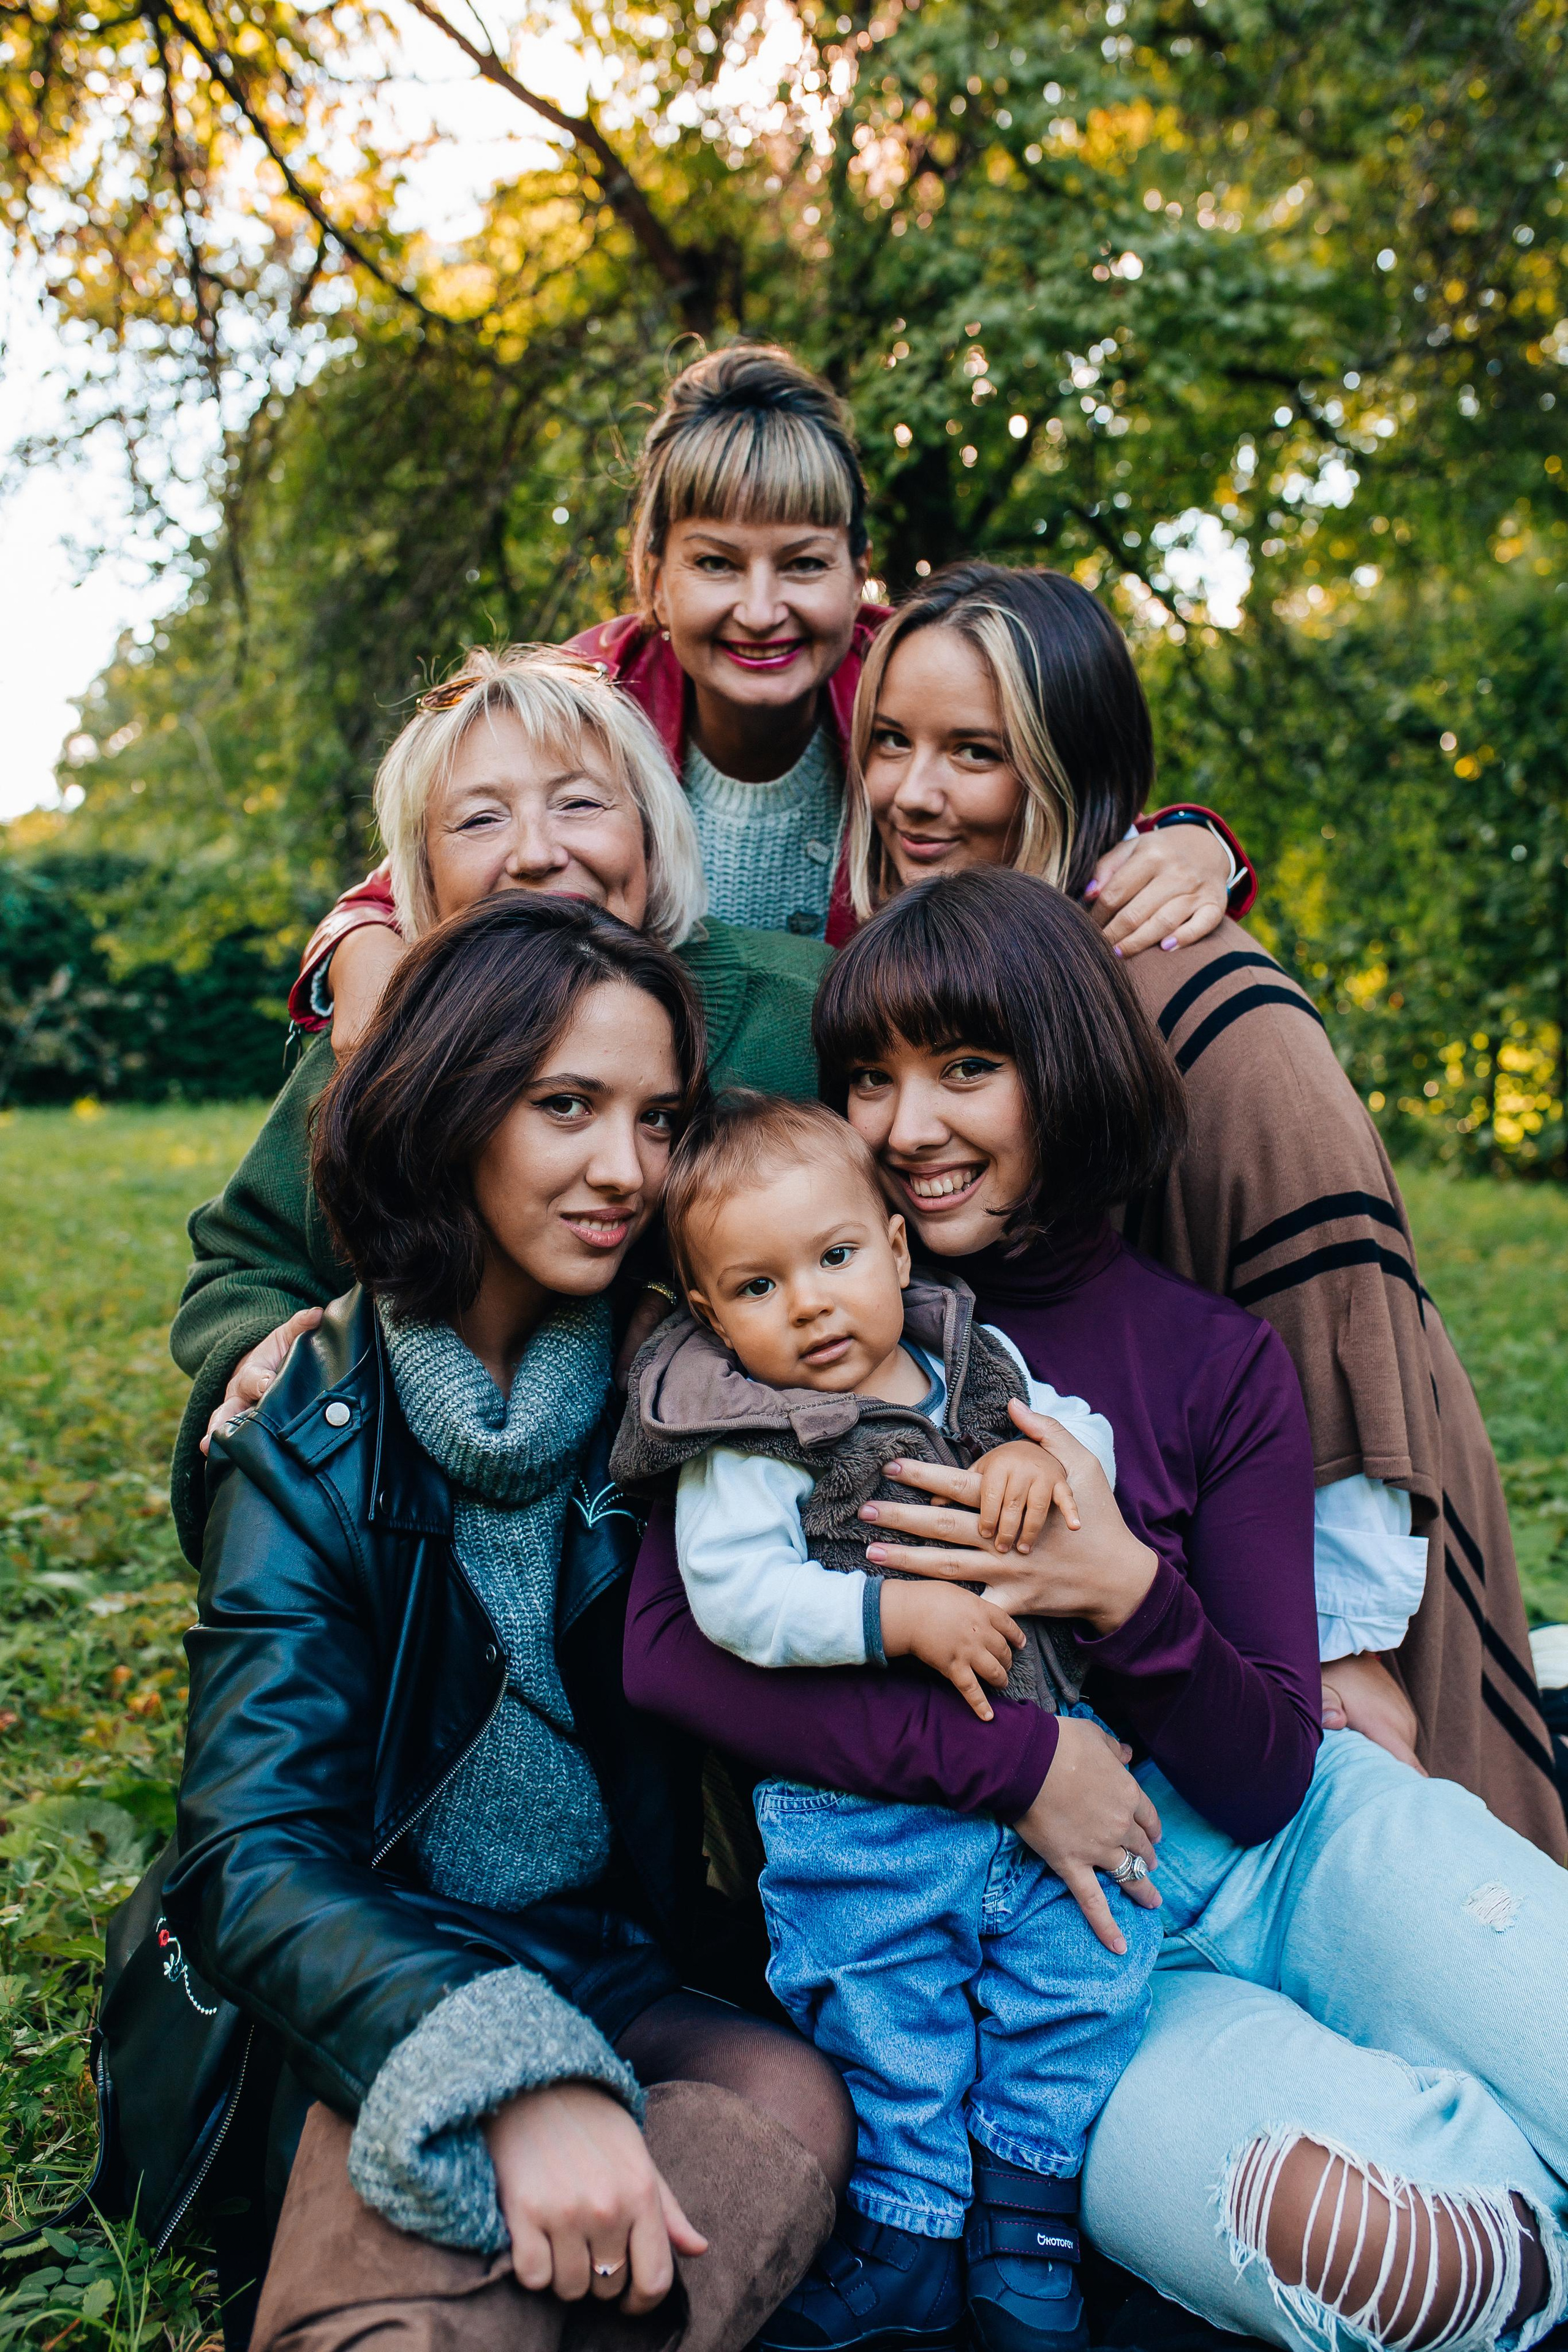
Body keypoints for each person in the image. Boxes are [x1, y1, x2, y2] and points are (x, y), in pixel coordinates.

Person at [623, 870, 1568, 2352]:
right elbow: (672, 1653)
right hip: (1077, 1972)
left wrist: (1121, 1584)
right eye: (868, 1078)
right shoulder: (785, 1339)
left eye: (966, 1070)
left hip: (1286, 1853)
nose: (907, 1127)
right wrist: (1016, 1768)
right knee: (1420, 2262)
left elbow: (1265, 1776)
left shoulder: (1212, 1360)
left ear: (1063, 1066)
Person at [119, 892, 856, 2352]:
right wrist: (510, 2071)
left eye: (656, 1120)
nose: (623, 1169)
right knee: (408, 2112)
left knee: (786, 2102)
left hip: (609, 1952)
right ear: (451, 1109)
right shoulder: (316, 1425)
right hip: (374, 1949)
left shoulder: (686, 1392)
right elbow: (250, 1853)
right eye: (565, 1107)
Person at [837, 561, 1565, 1858]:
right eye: (889, 740)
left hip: (1308, 1576)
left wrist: (1345, 1639)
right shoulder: (934, 965)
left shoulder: (1204, 1007)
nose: (911, 791)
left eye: (973, 752)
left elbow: (1331, 1297)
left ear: (1066, 766)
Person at [609, 1087, 1156, 2352]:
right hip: (859, 1822)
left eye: (835, 1258)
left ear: (895, 1251)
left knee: (1075, 1989)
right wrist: (894, 1618)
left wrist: (1039, 1464)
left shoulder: (974, 1364)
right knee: (884, 2024)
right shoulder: (746, 1436)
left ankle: (1026, 2240)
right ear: (706, 1316)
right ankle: (904, 2247)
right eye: (755, 1287)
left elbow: (1085, 1443)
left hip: (1038, 1819)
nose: (805, 1304)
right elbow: (735, 1598)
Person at [285, 343, 1251, 1052]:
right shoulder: (581, 703)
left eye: (802, 564)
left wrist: (1199, 842)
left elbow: (1055, 788)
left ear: (859, 571)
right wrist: (363, 955)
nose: (761, 611)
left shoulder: (907, 674)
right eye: (715, 563)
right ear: (652, 574)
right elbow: (410, 878)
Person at [166, 646, 831, 1560]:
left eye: (581, 802)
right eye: (480, 820)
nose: (536, 852)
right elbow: (248, 1262)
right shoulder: (387, 1038)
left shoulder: (801, 1011)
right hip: (427, 1572)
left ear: (649, 828)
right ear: (422, 881)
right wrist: (251, 1352)